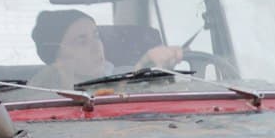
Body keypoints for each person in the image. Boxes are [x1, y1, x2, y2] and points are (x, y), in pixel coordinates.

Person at [29, 9, 181, 90]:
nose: (97, 47)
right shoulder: (34, 94)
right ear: (57, 55)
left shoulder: (129, 74)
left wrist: (159, 73)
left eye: (96, 36)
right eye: (82, 41)